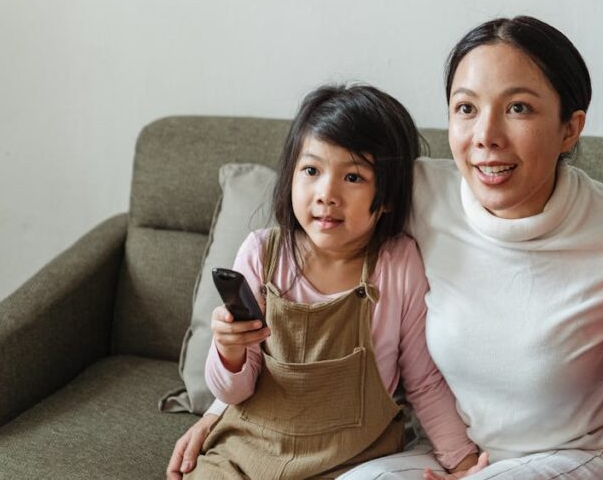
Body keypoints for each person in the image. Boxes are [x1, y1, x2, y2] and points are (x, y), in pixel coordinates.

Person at [169, 17, 603, 480]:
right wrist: (225, 411)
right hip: (452, 447)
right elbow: (311, 261)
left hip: (574, 450)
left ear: (569, 128)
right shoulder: (417, 192)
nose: (485, 137)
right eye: (466, 107)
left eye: (518, 108)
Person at [184, 84, 479, 479]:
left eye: (353, 177)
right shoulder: (261, 254)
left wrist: (462, 461)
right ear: (290, 177)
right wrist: (228, 351)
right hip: (246, 454)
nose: (327, 194)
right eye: (311, 171)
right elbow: (234, 392)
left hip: (353, 462)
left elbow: (423, 382)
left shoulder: (397, 264)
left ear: (388, 195)